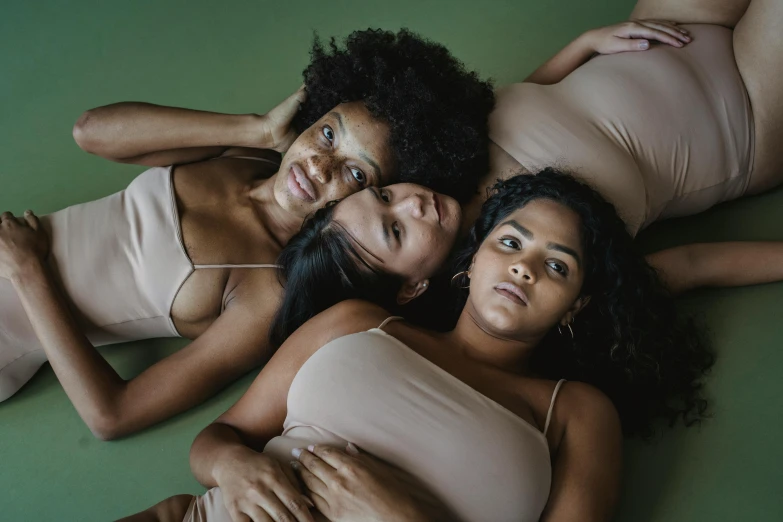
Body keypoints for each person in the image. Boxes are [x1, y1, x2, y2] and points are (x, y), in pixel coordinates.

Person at [123, 170, 713, 522]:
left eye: (557, 265)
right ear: (473, 260)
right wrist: (237, 468)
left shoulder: (577, 414)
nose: (525, 268)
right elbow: (218, 439)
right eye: (511, 242)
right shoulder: (356, 321)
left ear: (577, 306)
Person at [0, 28, 495, 440]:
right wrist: (254, 130)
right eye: (327, 133)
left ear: (366, 203)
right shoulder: (249, 156)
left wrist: (29, 270)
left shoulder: (267, 291)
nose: (318, 165)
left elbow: (113, 413)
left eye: (355, 174)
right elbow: (92, 132)